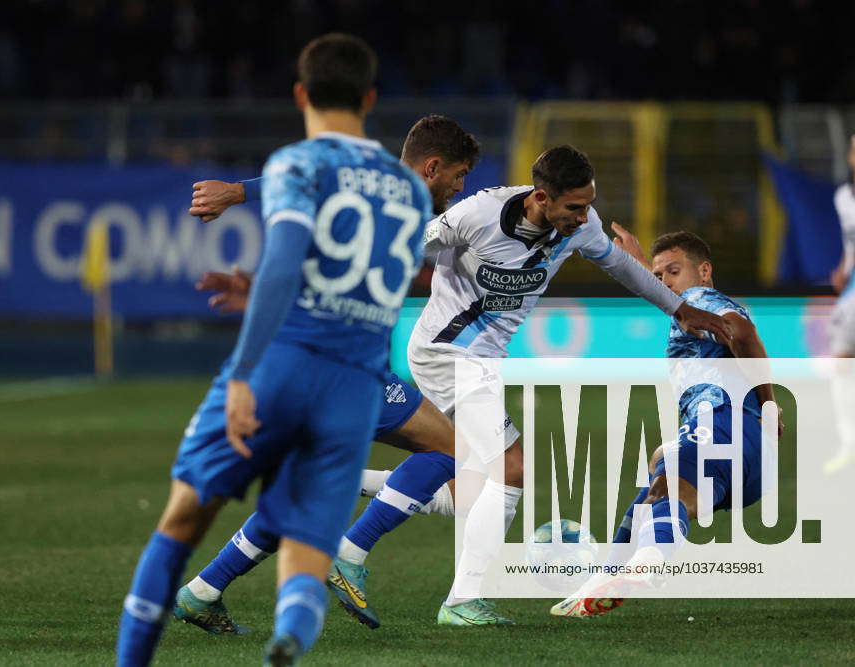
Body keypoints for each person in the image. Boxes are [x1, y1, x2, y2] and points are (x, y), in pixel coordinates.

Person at [186, 146, 733, 629]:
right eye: (574, 207)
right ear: (541, 197)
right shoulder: (474, 216)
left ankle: (333, 506)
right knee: (510, 467)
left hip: (472, 360)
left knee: (463, 478)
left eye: (588, 205)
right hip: (448, 354)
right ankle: (449, 592)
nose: (584, 217)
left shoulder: (580, 226)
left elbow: (623, 268)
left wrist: (680, 308)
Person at [115, 33, 433, 666]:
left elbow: (287, 261)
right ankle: (289, 632)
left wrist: (243, 373)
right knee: (308, 551)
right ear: (370, 98)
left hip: (284, 364)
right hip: (355, 385)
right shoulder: (411, 190)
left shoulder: (297, 163)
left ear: (299, 94)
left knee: (181, 522)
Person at [174, 115, 478, 634]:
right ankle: (351, 553)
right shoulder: (395, 196)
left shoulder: (383, 200)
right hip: (337, 365)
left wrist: (236, 195)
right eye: (458, 175)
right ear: (432, 167)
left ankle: (202, 592)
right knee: (454, 449)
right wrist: (236, 193)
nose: (460, 187)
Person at [551, 228, 780, 617]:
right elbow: (674, 301)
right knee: (662, 474)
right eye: (659, 277)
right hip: (754, 460)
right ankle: (605, 577)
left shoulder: (700, 297)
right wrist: (639, 266)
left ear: (704, 271)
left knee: (665, 482)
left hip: (720, 420)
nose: (665, 283)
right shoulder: (689, 304)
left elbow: (739, 331)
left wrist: (770, 403)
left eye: (673, 271)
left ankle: (649, 560)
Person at [825, 135, 855, 474]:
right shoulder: (843, 198)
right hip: (853, 297)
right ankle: (849, 444)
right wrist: (843, 269)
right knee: (841, 363)